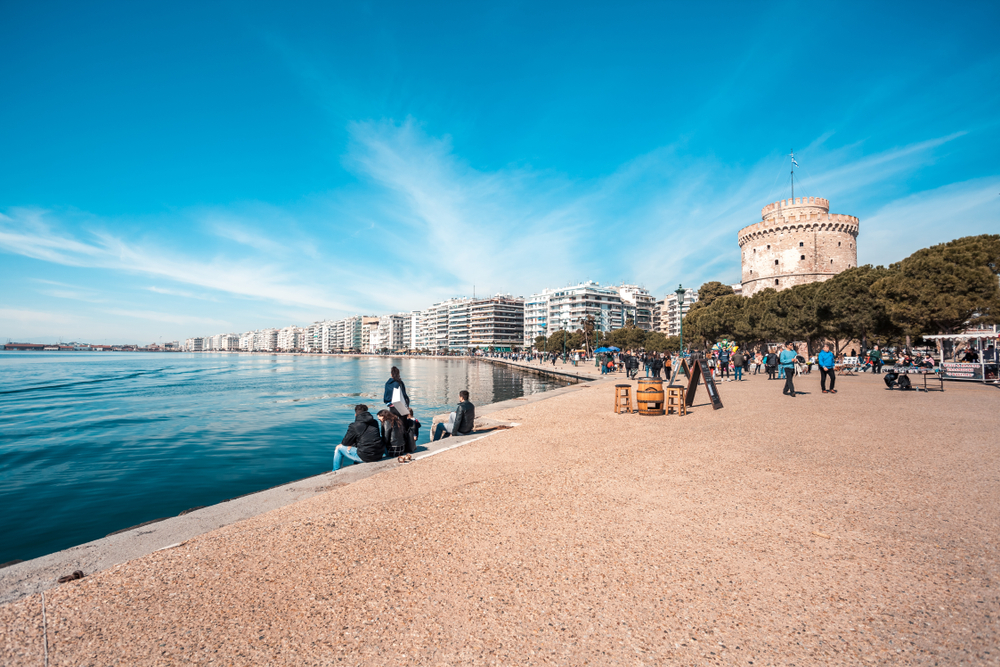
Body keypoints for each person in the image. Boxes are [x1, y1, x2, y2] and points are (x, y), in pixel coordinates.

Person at [333, 404, 385, 471]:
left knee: (339, 448)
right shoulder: (375, 422)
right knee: (364, 443)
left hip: (366, 457)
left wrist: (349, 445)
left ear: (355, 414)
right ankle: (356, 464)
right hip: (378, 455)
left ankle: (335, 471)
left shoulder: (354, 425)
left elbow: (345, 442)